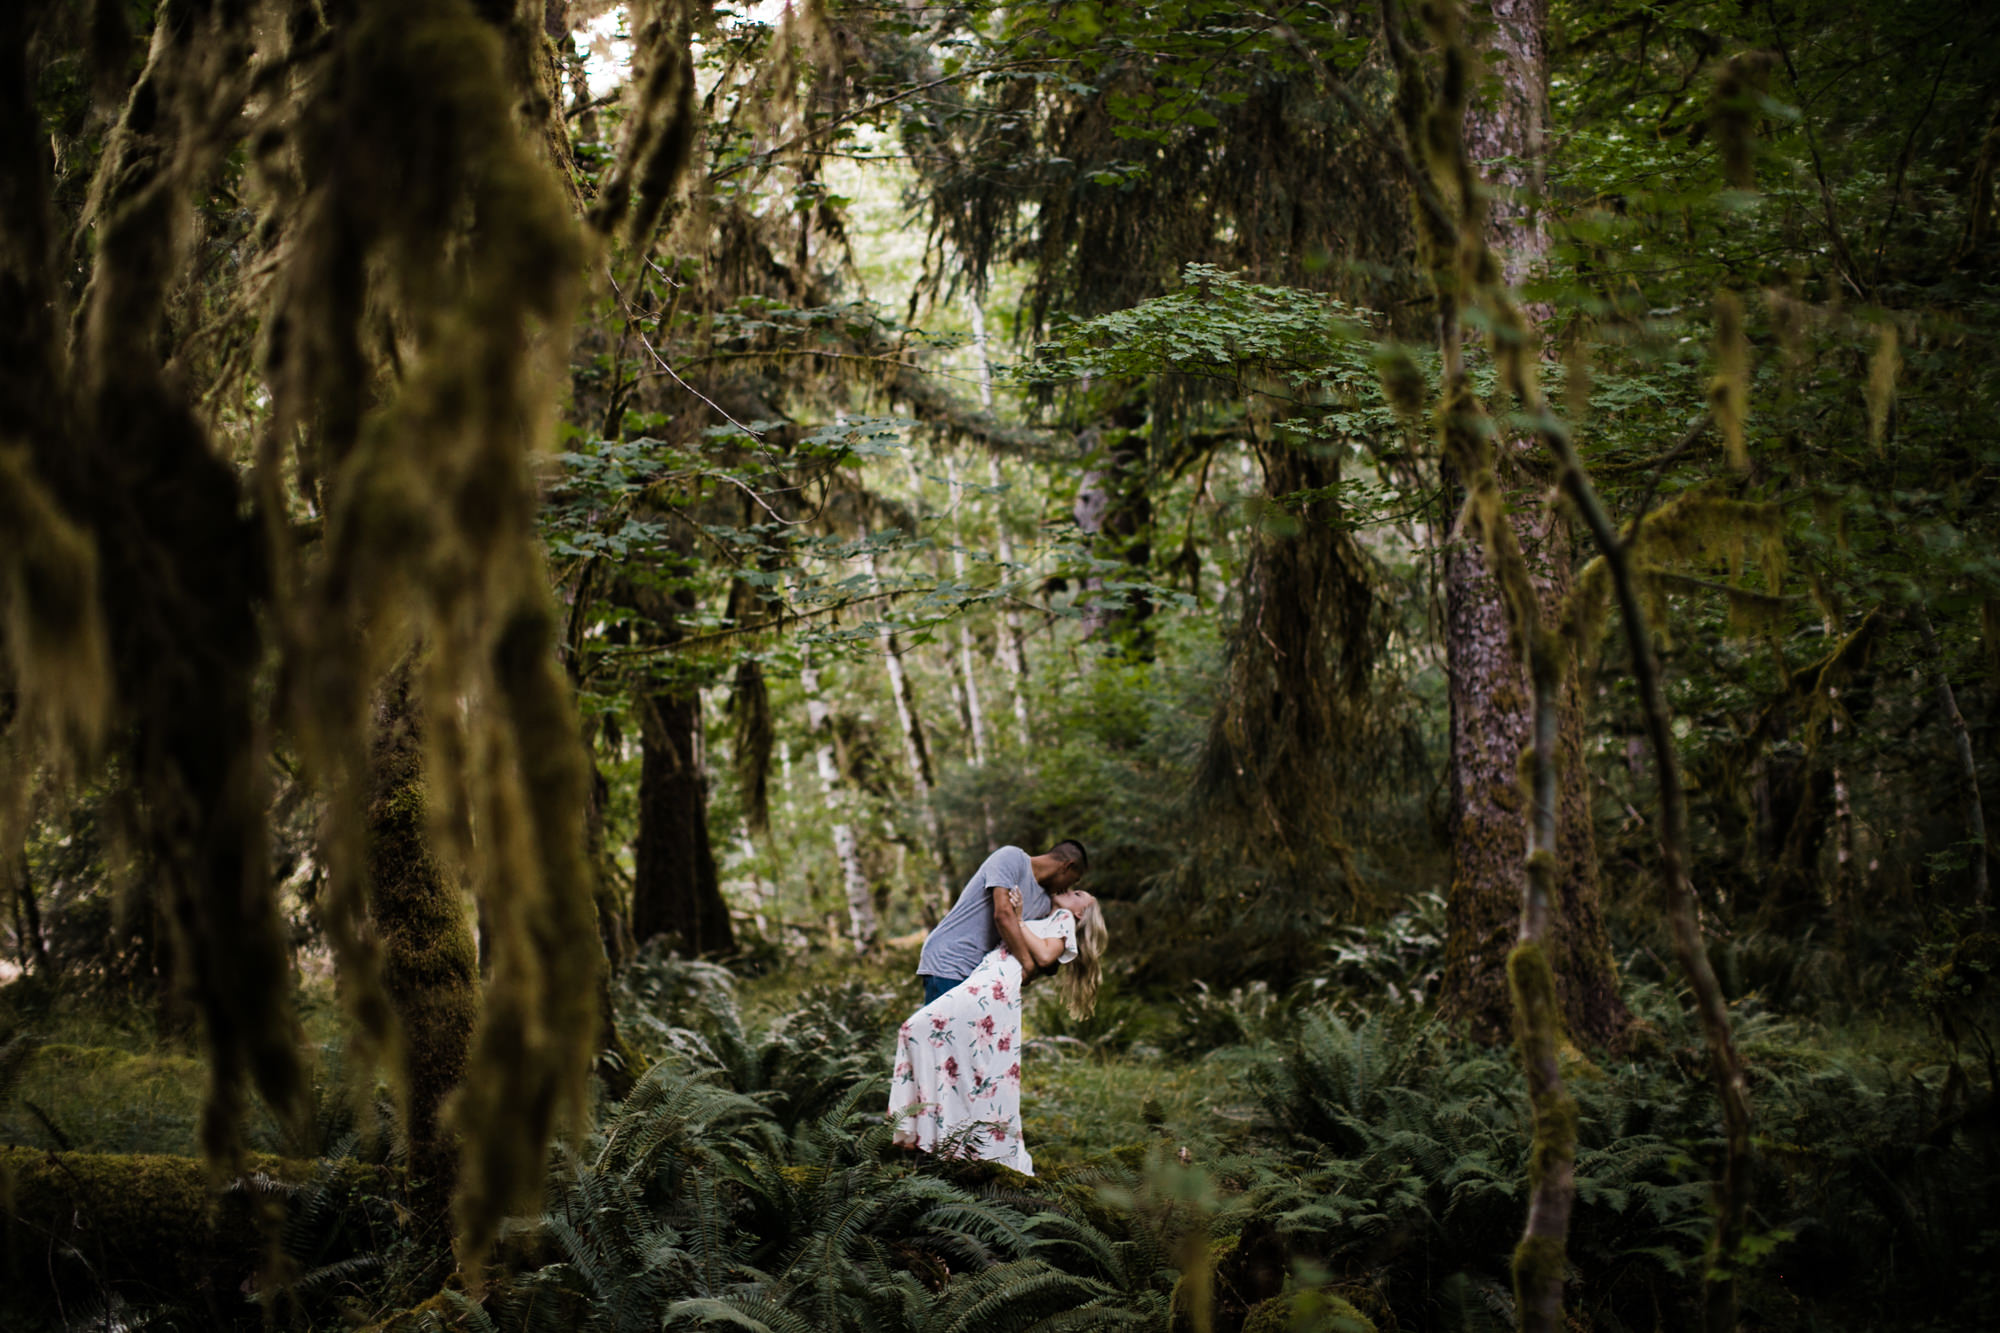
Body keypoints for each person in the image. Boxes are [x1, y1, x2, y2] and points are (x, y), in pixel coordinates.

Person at [888, 885, 1107, 1174]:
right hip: (984, 982)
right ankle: (946, 1136)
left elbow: (1044, 956)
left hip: (993, 988)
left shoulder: (1064, 919)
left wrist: (1016, 919)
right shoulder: (1045, 918)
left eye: (1079, 895)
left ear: (1080, 913)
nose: (1071, 891)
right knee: (971, 1067)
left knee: (917, 1029)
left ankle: (931, 1131)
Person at [916, 841, 1088, 1004]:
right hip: (951, 959)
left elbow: (1044, 953)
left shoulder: (1045, 903)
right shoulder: (1011, 858)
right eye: (1074, 881)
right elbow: (1003, 914)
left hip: (981, 975)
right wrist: (1027, 965)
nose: (1069, 888)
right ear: (1067, 866)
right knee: (945, 1032)